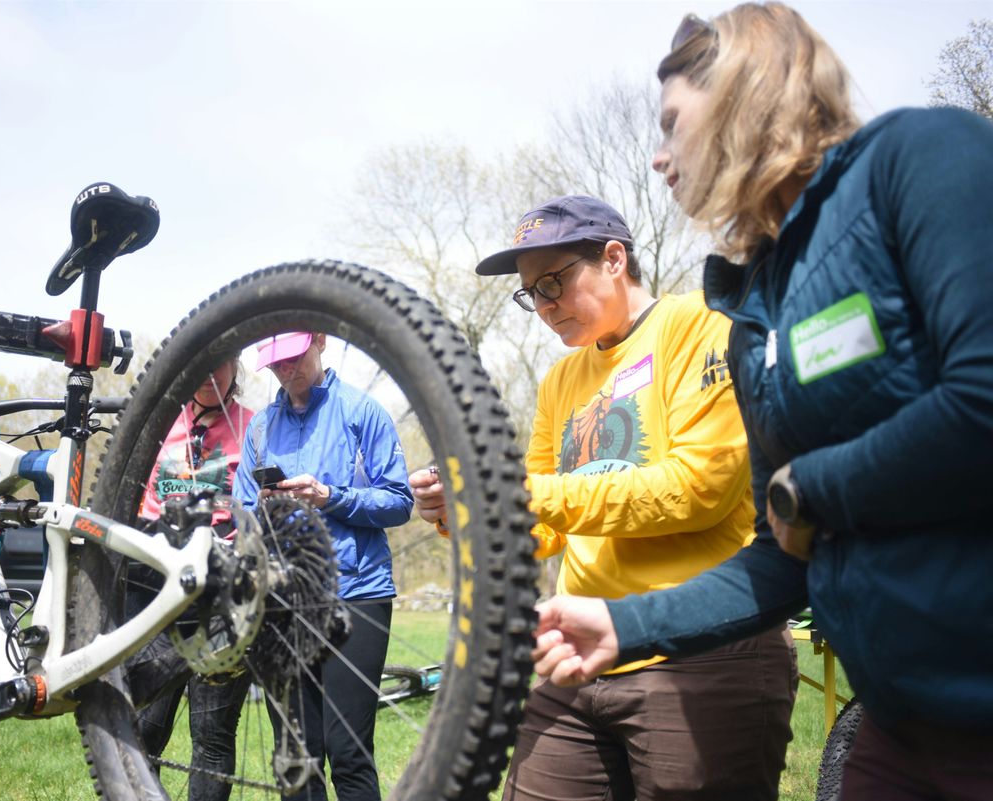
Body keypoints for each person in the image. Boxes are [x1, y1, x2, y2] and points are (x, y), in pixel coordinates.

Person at [532, 4, 993, 800]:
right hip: (896, 724)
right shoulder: (753, 309)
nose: (658, 157)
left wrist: (815, 488)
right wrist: (623, 624)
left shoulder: (919, 157)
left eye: (674, 124)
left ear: (749, 89)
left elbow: (981, 393)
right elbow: (781, 554)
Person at [411, 194, 796, 800]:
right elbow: (541, 527)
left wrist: (525, 492)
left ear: (614, 258)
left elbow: (699, 490)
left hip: (703, 652)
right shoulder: (561, 379)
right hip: (577, 654)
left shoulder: (701, 325)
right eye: (530, 292)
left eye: (554, 283)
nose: (542, 306)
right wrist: (465, 514)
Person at [234, 331, 413, 801]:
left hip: (356, 593)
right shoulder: (259, 429)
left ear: (319, 342)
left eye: (293, 358)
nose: (285, 371)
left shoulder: (362, 412)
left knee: (348, 750)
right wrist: (265, 508)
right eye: (274, 364)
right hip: (283, 601)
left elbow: (398, 501)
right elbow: (241, 516)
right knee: (297, 753)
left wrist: (330, 497)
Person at [123, 355, 254, 801]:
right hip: (159, 591)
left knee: (212, 734)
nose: (209, 375)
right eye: (200, 364)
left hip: (223, 597)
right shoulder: (160, 426)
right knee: (143, 725)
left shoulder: (255, 427)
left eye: (221, 364)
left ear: (236, 368)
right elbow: (138, 505)